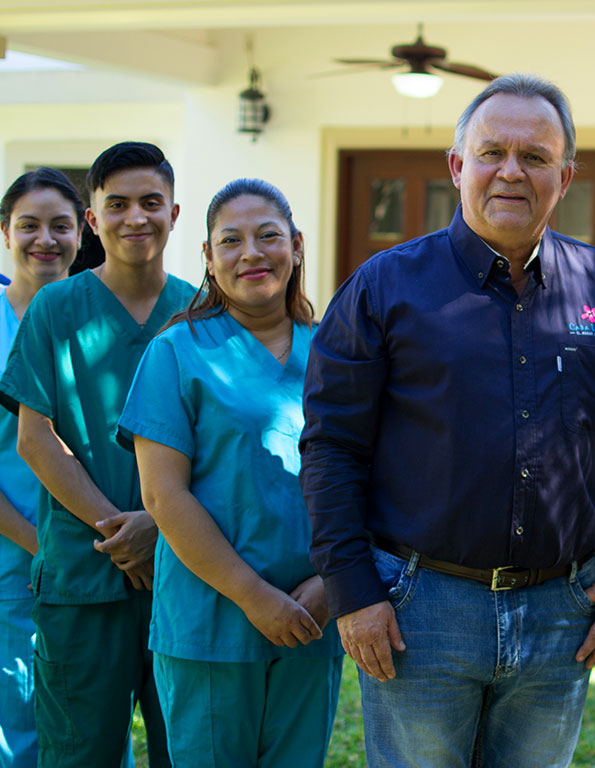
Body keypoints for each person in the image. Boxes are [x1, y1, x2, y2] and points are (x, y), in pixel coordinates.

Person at [300, 73, 595, 768]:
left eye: (534, 157)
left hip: (562, 610)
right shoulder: (383, 288)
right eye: (492, 152)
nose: (511, 171)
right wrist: (353, 593)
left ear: (563, 177)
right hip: (418, 608)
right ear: (457, 166)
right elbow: (331, 448)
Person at [117, 179, 343, 767]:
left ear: (295, 247)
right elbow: (162, 495)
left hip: (312, 616)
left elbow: (366, 482)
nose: (252, 254)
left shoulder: (335, 355)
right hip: (211, 620)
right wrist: (253, 596)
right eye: (231, 241)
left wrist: (329, 583)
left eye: (268, 237)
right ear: (209, 262)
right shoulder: (176, 352)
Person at [0, 142, 194, 768]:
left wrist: (158, 527)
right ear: (93, 220)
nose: (135, 217)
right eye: (118, 204)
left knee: (185, 750)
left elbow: (222, 448)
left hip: (187, 576)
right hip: (83, 581)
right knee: (78, 754)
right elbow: (34, 438)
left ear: (175, 213)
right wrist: (120, 528)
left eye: (150, 203)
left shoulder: (200, 313)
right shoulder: (57, 309)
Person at [0, 168, 84, 768]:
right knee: (19, 717)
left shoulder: (99, 316)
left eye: (61, 225)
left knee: (89, 719)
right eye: (29, 225)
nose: (45, 240)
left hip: (95, 558)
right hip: (12, 559)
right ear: (5, 231)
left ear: (85, 230)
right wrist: (40, 546)